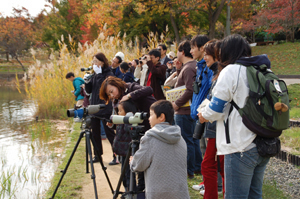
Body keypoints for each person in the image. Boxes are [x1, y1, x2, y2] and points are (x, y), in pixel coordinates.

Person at [198, 34, 271, 199]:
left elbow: (215, 109)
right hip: (263, 142)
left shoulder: (231, 71)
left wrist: (203, 114)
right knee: (254, 195)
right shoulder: (261, 68)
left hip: (240, 146)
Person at [100, 76, 157, 192]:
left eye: (112, 91)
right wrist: (112, 122)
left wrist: (130, 95)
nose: (112, 95)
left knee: (144, 159)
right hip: (132, 131)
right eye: (109, 95)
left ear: (117, 84)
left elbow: (149, 89)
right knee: (128, 162)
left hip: (150, 123)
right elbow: (120, 115)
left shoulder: (130, 87)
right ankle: (130, 190)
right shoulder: (116, 99)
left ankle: (142, 189)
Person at [130, 100, 190, 199]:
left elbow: (138, 165)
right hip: (181, 193)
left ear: (161, 117)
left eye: (151, 115)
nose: (149, 118)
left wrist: (132, 161)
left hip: (158, 194)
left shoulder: (150, 138)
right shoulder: (180, 138)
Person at [196, 40, 225, 198]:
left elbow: (218, 104)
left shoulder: (221, 75)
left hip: (217, 128)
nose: (204, 58)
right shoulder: (216, 74)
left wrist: (205, 114)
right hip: (214, 128)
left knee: (210, 165)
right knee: (214, 165)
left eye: (207, 54)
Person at [172, 40, 201, 179]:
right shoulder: (189, 66)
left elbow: (190, 89)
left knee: (186, 141)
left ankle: (189, 170)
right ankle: (196, 167)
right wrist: (178, 70)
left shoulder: (189, 67)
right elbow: (184, 85)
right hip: (189, 110)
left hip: (184, 111)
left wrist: (177, 103)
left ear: (182, 52)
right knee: (193, 140)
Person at [84, 52, 116, 164]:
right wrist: (87, 82)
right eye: (93, 61)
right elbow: (89, 91)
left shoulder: (109, 73)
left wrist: (98, 75)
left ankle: (116, 155)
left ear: (102, 62)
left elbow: (105, 87)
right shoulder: (94, 74)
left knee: (109, 133)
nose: (94, 64)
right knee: (95, 133)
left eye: (96, 61)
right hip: (94, 107)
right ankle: (97, 155)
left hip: (105, 106)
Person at [113, 100, 137, 191]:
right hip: (122, 152)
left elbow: (129, 130)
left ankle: (131, 191)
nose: (118, 113)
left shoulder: (128, 123)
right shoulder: (120, 122)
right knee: (123, 173)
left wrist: (129, 119)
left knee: (128, 173)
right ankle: (126, 190)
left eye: (120, 111)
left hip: (127, 153)